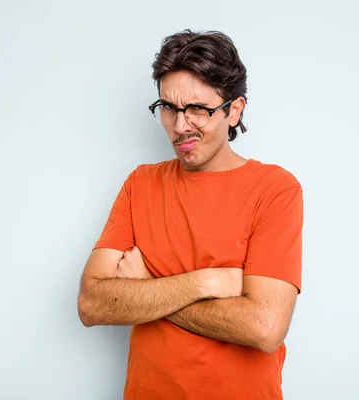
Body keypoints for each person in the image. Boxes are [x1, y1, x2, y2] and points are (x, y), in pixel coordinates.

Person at [77, 29, 304, 400]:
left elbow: (264, 327)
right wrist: (205, 283)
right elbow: (91, 303)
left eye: (198, 109)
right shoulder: (140, 184)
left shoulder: (275, 189)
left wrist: (147, 284)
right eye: (168, 107)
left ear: (234, 110)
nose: (181, 125)